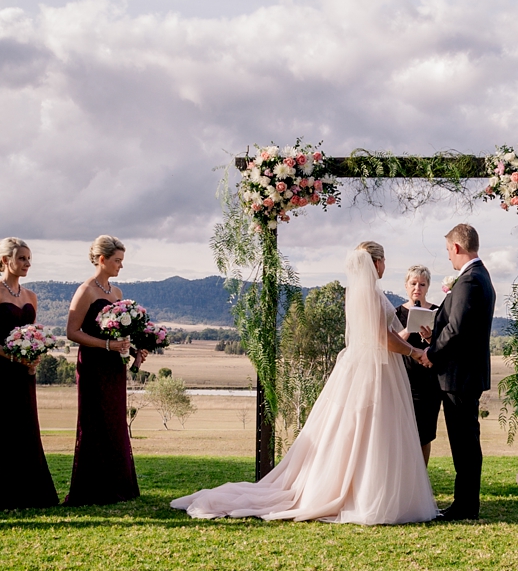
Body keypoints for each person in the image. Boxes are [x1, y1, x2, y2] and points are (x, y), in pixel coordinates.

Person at [172, 242, 437, 525]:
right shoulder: (369, 293)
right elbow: (380, 337)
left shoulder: (362, 292)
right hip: (375, 369)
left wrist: (413, 342)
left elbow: (388, 333)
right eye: (383, 261)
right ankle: (365, 493)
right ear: (377, 262)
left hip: (371, 367)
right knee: (370, 429)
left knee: (362, 429)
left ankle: (366, 488)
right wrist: (414, 352)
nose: (385, 266)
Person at [0, 237, 58, 510]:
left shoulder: (31, 296)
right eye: (21, 258)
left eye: (29, 258)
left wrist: (34, 358)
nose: (27, 263)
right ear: (6, 260)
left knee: (27, 426)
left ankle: (31, 493)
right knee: (0, 425)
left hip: (24, 373)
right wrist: (8, 355)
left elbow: (33, 335)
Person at [63, 235, 147, 505]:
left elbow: (124, 332)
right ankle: (93, 488)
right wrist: (106, 344)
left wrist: (134, 350)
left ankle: (118, 484)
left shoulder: (117, 293)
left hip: (114, 366)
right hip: (93, 365)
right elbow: (71, 332)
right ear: (102, 259)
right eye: (117, 260)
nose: (121, 266)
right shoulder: (85, 290)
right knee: (94, 422)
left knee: (114, 423)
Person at [422, 223, 496, 520]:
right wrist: (434, 335)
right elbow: (456, 326)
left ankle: (466, 505)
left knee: (464, 444)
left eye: (448, 251)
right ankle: (466, 502)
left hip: (459, 376)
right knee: (465, 442)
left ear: (456, 247)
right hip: (462, 374)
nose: (449, 259)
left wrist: (431, 352)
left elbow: (457, 330)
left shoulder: (470, 281)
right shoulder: (479, 277)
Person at [395, 264, 442, 465]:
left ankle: (422, 475)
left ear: (428, 287)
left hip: (429, 382)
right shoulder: (397, 313)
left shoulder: (436, 312)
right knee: (403, 433)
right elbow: (391, 342)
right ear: (406, 286)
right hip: (403, 380)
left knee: (425, 433)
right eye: (413, 283)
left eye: (422, 284)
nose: (417, 288)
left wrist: (430, 337)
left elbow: (443, 346)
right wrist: (408, 328)